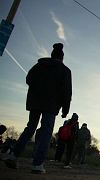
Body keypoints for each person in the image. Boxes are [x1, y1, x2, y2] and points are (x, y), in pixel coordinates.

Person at [2, 43, 72, 174]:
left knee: (30, 128)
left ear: (51, 55)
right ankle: (37, 164)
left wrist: (38, 89)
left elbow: (28, 79)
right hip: (51, 105)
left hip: (35, 102)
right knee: (46, 132)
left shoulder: (38, 66)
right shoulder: (65, 70)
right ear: (62, 58)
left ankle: (13, 155)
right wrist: (65, 110)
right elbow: (67, 92)